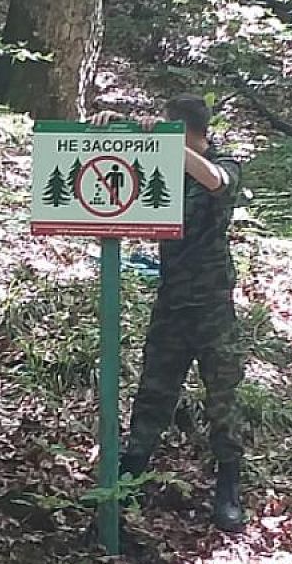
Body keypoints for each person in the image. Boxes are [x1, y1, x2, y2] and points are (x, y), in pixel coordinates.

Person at [88, 94, 249, 531]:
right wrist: (114, 124)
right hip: (171, 299)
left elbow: (217, 181)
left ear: (198, 134)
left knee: (222, 397)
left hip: (212, 303)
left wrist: (167, 143)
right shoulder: (165, 157)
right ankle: (129, 476)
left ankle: (229, 486)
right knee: (154, 390)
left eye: (177, 133)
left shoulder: (224, 163)